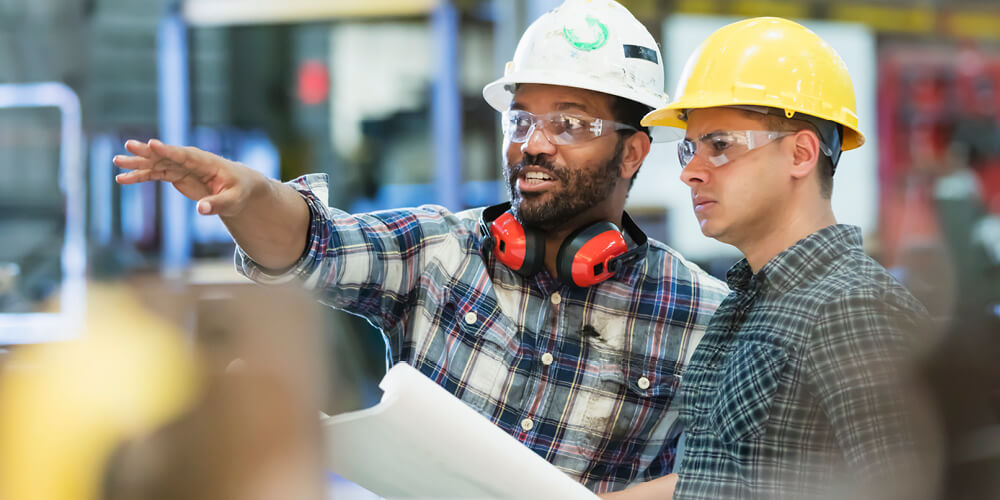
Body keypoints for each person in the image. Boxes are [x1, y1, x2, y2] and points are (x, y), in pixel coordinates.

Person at [113, 0, 728, 493]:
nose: (533, 144)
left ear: (634, 150)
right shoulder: (440, 250)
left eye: (569, 124)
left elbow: (737, 473)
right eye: (520, 120)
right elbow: (314, 243)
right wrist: (247, 196)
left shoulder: (702, 314)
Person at [609, 17, 943, 500]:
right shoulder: (751, 302)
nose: (692, 173)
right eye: (689, 149)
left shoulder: (852, 311)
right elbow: (721, 477)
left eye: (720, 145)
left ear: (801, 154)